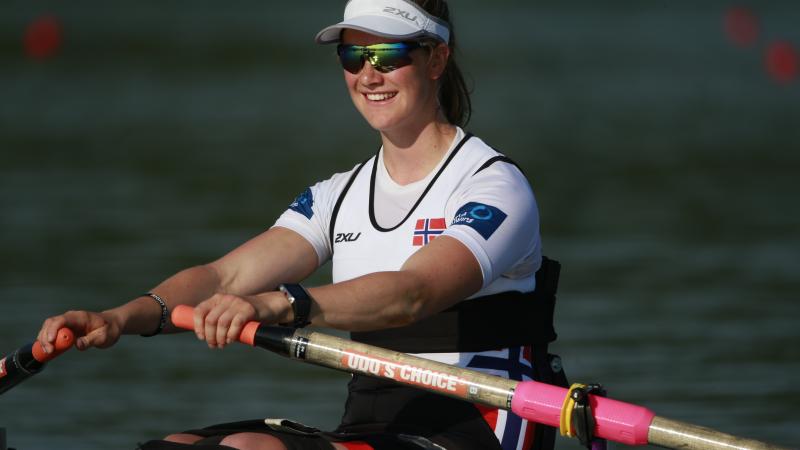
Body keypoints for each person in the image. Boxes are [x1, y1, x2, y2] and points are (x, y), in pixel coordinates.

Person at [37, 1, 565, 449]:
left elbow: (413, 293)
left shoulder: (493, 186)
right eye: (353, 55)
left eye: (388, 54)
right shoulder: (336, 196)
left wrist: (286, 303)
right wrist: (118, 317)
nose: (368, 75)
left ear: (436, 60)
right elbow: (223, 279)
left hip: (478, 420)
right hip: (374, 419)